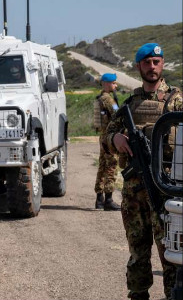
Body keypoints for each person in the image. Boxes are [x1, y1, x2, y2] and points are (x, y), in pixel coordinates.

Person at [106, 43, 182, 300]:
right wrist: (115, 138)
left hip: (167, 189)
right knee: (138, 250)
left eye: (157, 62)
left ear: (162, 64)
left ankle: (174, 294)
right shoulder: (129, 103)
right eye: (147, 62)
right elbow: (106, 136)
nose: (152, 67)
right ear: (139, 66)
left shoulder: (177, 100)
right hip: (135, 192)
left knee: (171, 252)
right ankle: (138, 294)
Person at [93, 73, 121, 211]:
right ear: (107, 83)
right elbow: (117, 116)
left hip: (102, 137)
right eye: (114, 83)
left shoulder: (99, 98)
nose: (116, 85)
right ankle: (109, 200)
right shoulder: (109, 100)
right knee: (111, 166)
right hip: (109, 138)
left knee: (102, 166)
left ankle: (99, 199)